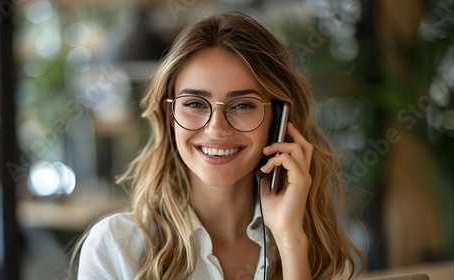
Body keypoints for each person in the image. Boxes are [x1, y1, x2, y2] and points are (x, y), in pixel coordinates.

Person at [75, 11, 364, 280]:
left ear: (278, 120)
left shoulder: (318, 248)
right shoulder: (114, 248)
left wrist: (290, 240)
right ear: (170, 115)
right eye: (195, 104)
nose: (216, 128)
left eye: (242, 105)